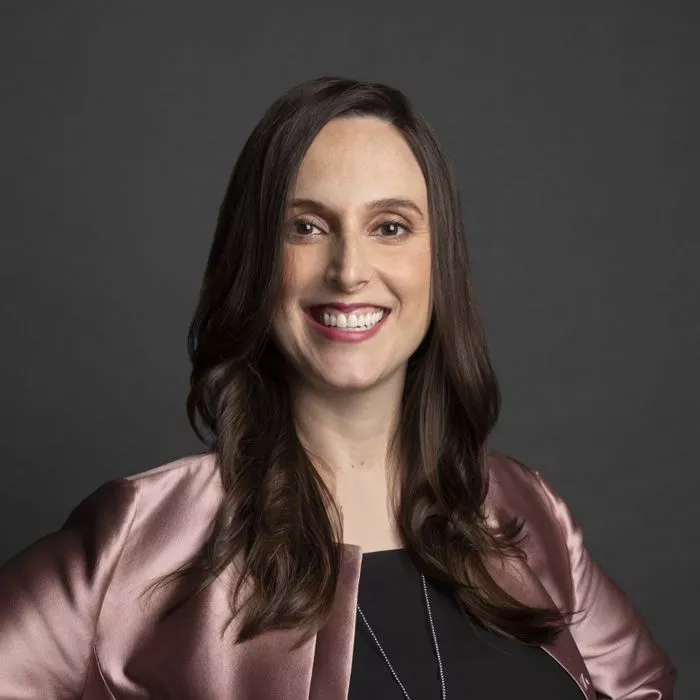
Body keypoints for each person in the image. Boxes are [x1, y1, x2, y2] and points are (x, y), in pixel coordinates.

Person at [0, 76, 675, 699]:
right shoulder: (145, 539)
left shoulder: (527, 512)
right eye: (307, 227)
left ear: (438, 262)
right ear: (256, 262)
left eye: (390, 227)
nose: (349, 270)